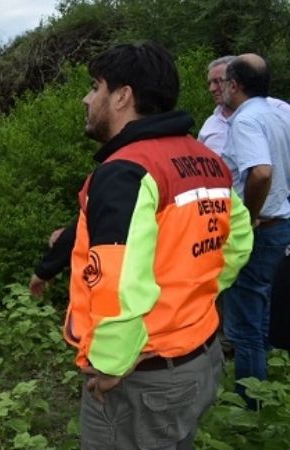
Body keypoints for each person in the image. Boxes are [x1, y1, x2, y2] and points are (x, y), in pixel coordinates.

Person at [60, 42, 252, 448]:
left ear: (122, 96)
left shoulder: (125, 172)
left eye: (95, 86)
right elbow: (237, 242)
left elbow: (117, 283)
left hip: (141, 384)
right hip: (199, 359)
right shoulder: (206, 160)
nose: (87, 98)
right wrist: (192, 302)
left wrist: (113, 363)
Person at [218, 53, 290, 408]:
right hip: (281, 225)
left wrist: (248, 215)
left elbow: (260, 172)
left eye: (223, 82)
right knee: (260, 317)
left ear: (235, 84)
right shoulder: (276, 115)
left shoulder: (245, 121)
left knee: (244, 326)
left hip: (262, 230)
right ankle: (264, 394)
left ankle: (250, 408)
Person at [199, 56, 290, 154]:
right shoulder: (210, 124)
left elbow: (261, 168)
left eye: (218, 81)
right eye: (210, 83)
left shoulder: (279, 109)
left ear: (235, 81)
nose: (212, 88)